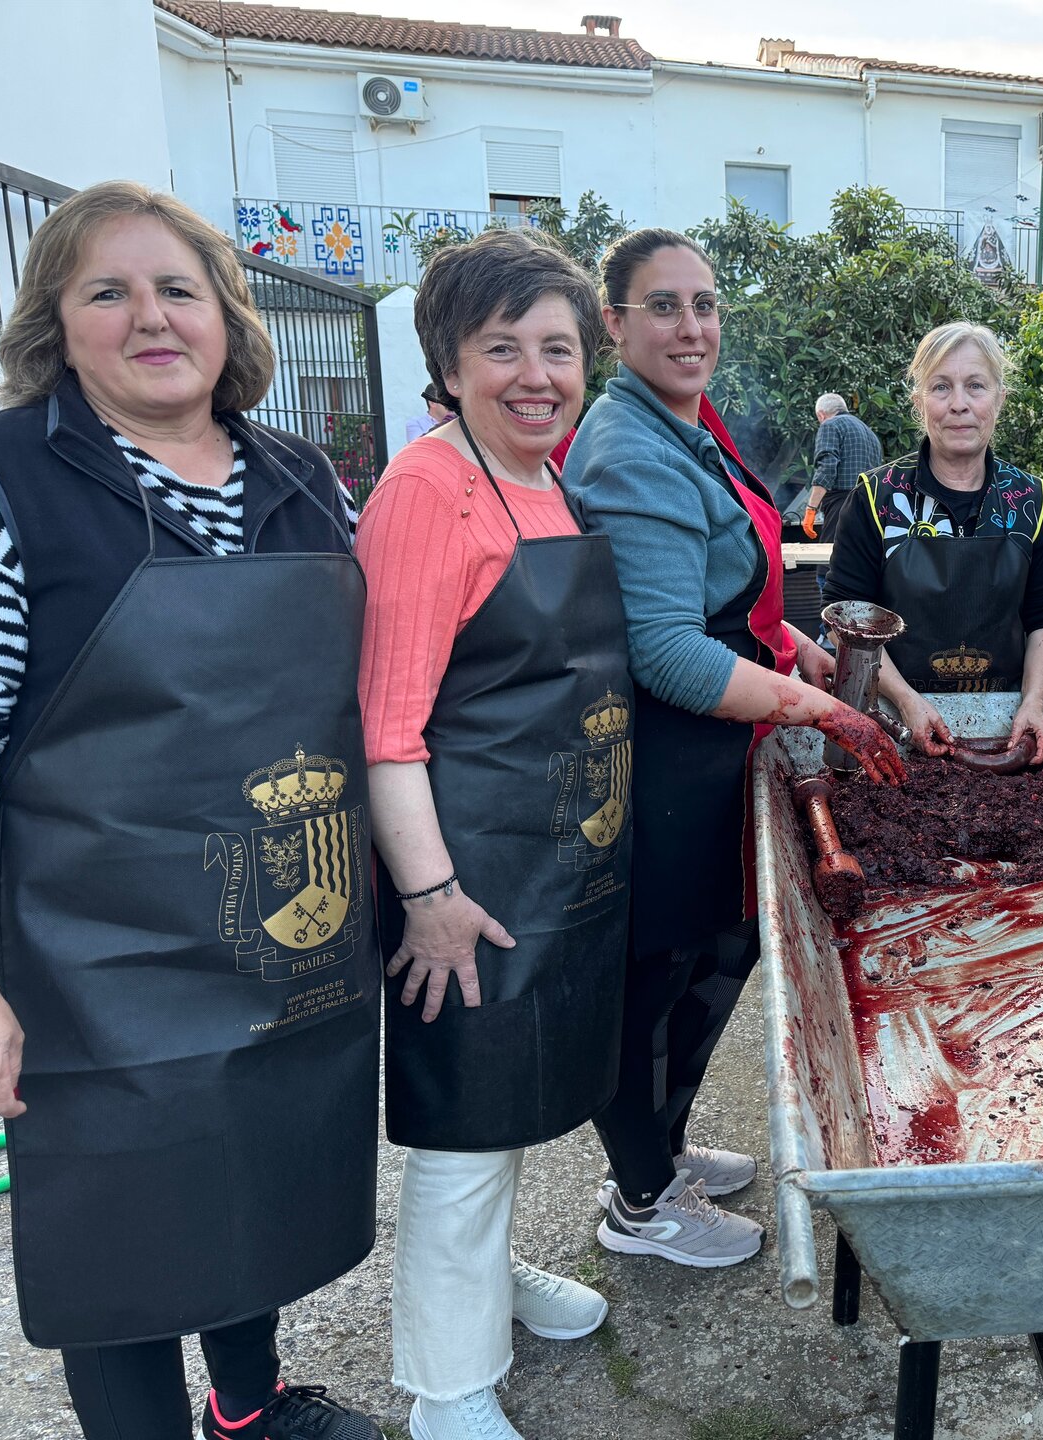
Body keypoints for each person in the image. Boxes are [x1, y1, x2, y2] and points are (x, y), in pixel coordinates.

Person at [0, 182, 380, 1439]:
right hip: (99, 955)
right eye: (108, 290)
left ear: (225, 316)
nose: (150, 316)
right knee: (125, 1240)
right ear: (57, 321)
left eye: (177, 289)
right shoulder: (3, 480)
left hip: (279, 922)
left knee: (257, 1172)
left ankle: (250, 1409)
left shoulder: (305, 475)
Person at [565, 228, 903, 1269]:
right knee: (660, 972)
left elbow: (734, 593)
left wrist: (795, 648)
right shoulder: (627, 449)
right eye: (664, 306)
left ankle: (661, 1149)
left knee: (723, 949)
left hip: (719, 741)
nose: (693, 326)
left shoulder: (687, 427)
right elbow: (665, 650)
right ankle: (640, 1200)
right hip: (666, 754)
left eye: (706, 305)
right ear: (614, 324)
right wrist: (827, 712)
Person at [356, 230, 628, 1440]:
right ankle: (444, 1386)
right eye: (500, 347)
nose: (535, 373)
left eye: (557, 348)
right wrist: (428, 894)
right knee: (465, 1124)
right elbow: (386, 723)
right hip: (467, 863)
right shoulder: (428, 485)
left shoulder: (549, 476)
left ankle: (490, 1288)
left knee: (516, 1098)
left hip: (558, 852)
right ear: (450, 363)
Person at [822, 322, 1043, 758]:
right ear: (919, 401)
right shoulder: (877, 498)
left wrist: (1033, 702)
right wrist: (906, 701)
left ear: (1000, 398)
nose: (959, 405)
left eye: (976, 386)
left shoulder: (1031, 499)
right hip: (893, 722)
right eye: (941, 387)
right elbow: (847, 617)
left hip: (1001, 726)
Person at [801, 391, 881, 540]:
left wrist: (811, 508)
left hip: (842, 503)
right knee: (856, 559)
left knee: (830, 557)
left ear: (821, 415)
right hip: (869, 507)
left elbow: (827, 467)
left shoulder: (829, 425)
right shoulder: (869, 433)